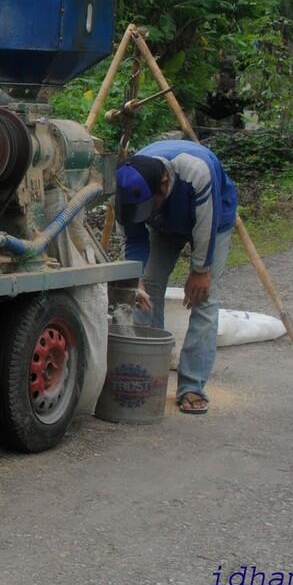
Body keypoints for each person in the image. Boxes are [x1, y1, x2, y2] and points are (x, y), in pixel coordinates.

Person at [115, 140, 238, 415]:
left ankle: (192, 385)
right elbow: (133, 238)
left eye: (151, 204)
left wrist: (200, 271)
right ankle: (147, 374)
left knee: (203, 298)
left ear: (165, 182)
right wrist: (135, 279)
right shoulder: (127, 187)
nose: (147, 210)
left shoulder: (196, 171)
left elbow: (206, 225)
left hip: (213, 219)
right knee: (146, 291)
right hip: (165, 225)